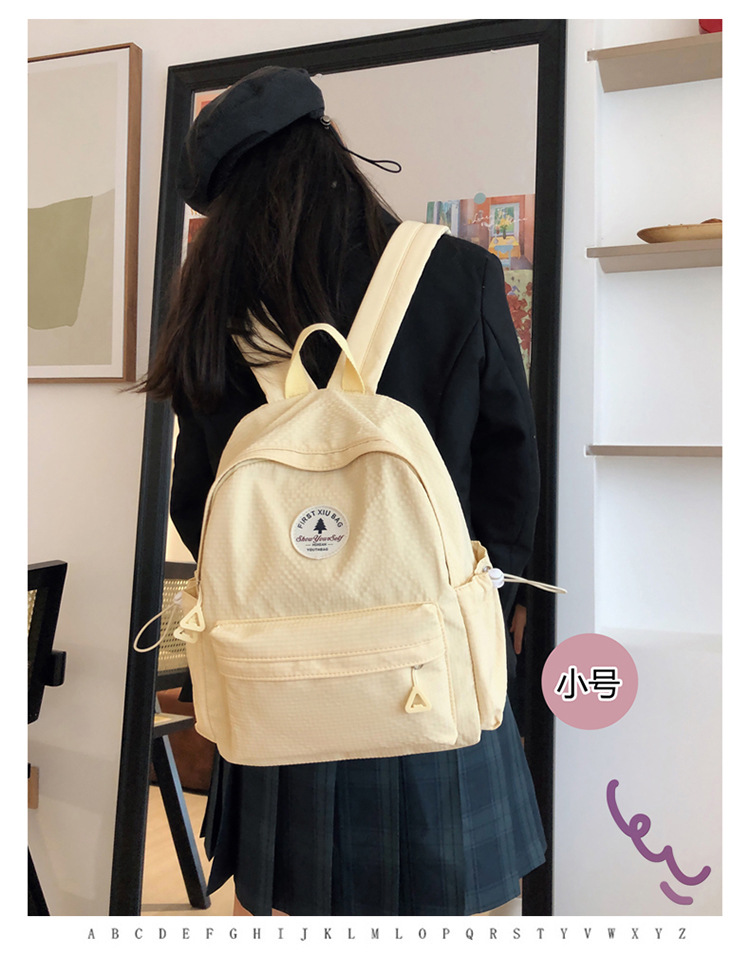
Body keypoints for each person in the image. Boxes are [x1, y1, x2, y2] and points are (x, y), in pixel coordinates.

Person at [141, 65, 545, 917]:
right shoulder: (460, 274)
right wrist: (483, 602)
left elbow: (197, 505)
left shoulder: (211, 315)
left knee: (292, 913)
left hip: (280, 689)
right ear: (331, 150)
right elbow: (512, 477)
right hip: (429, 673)